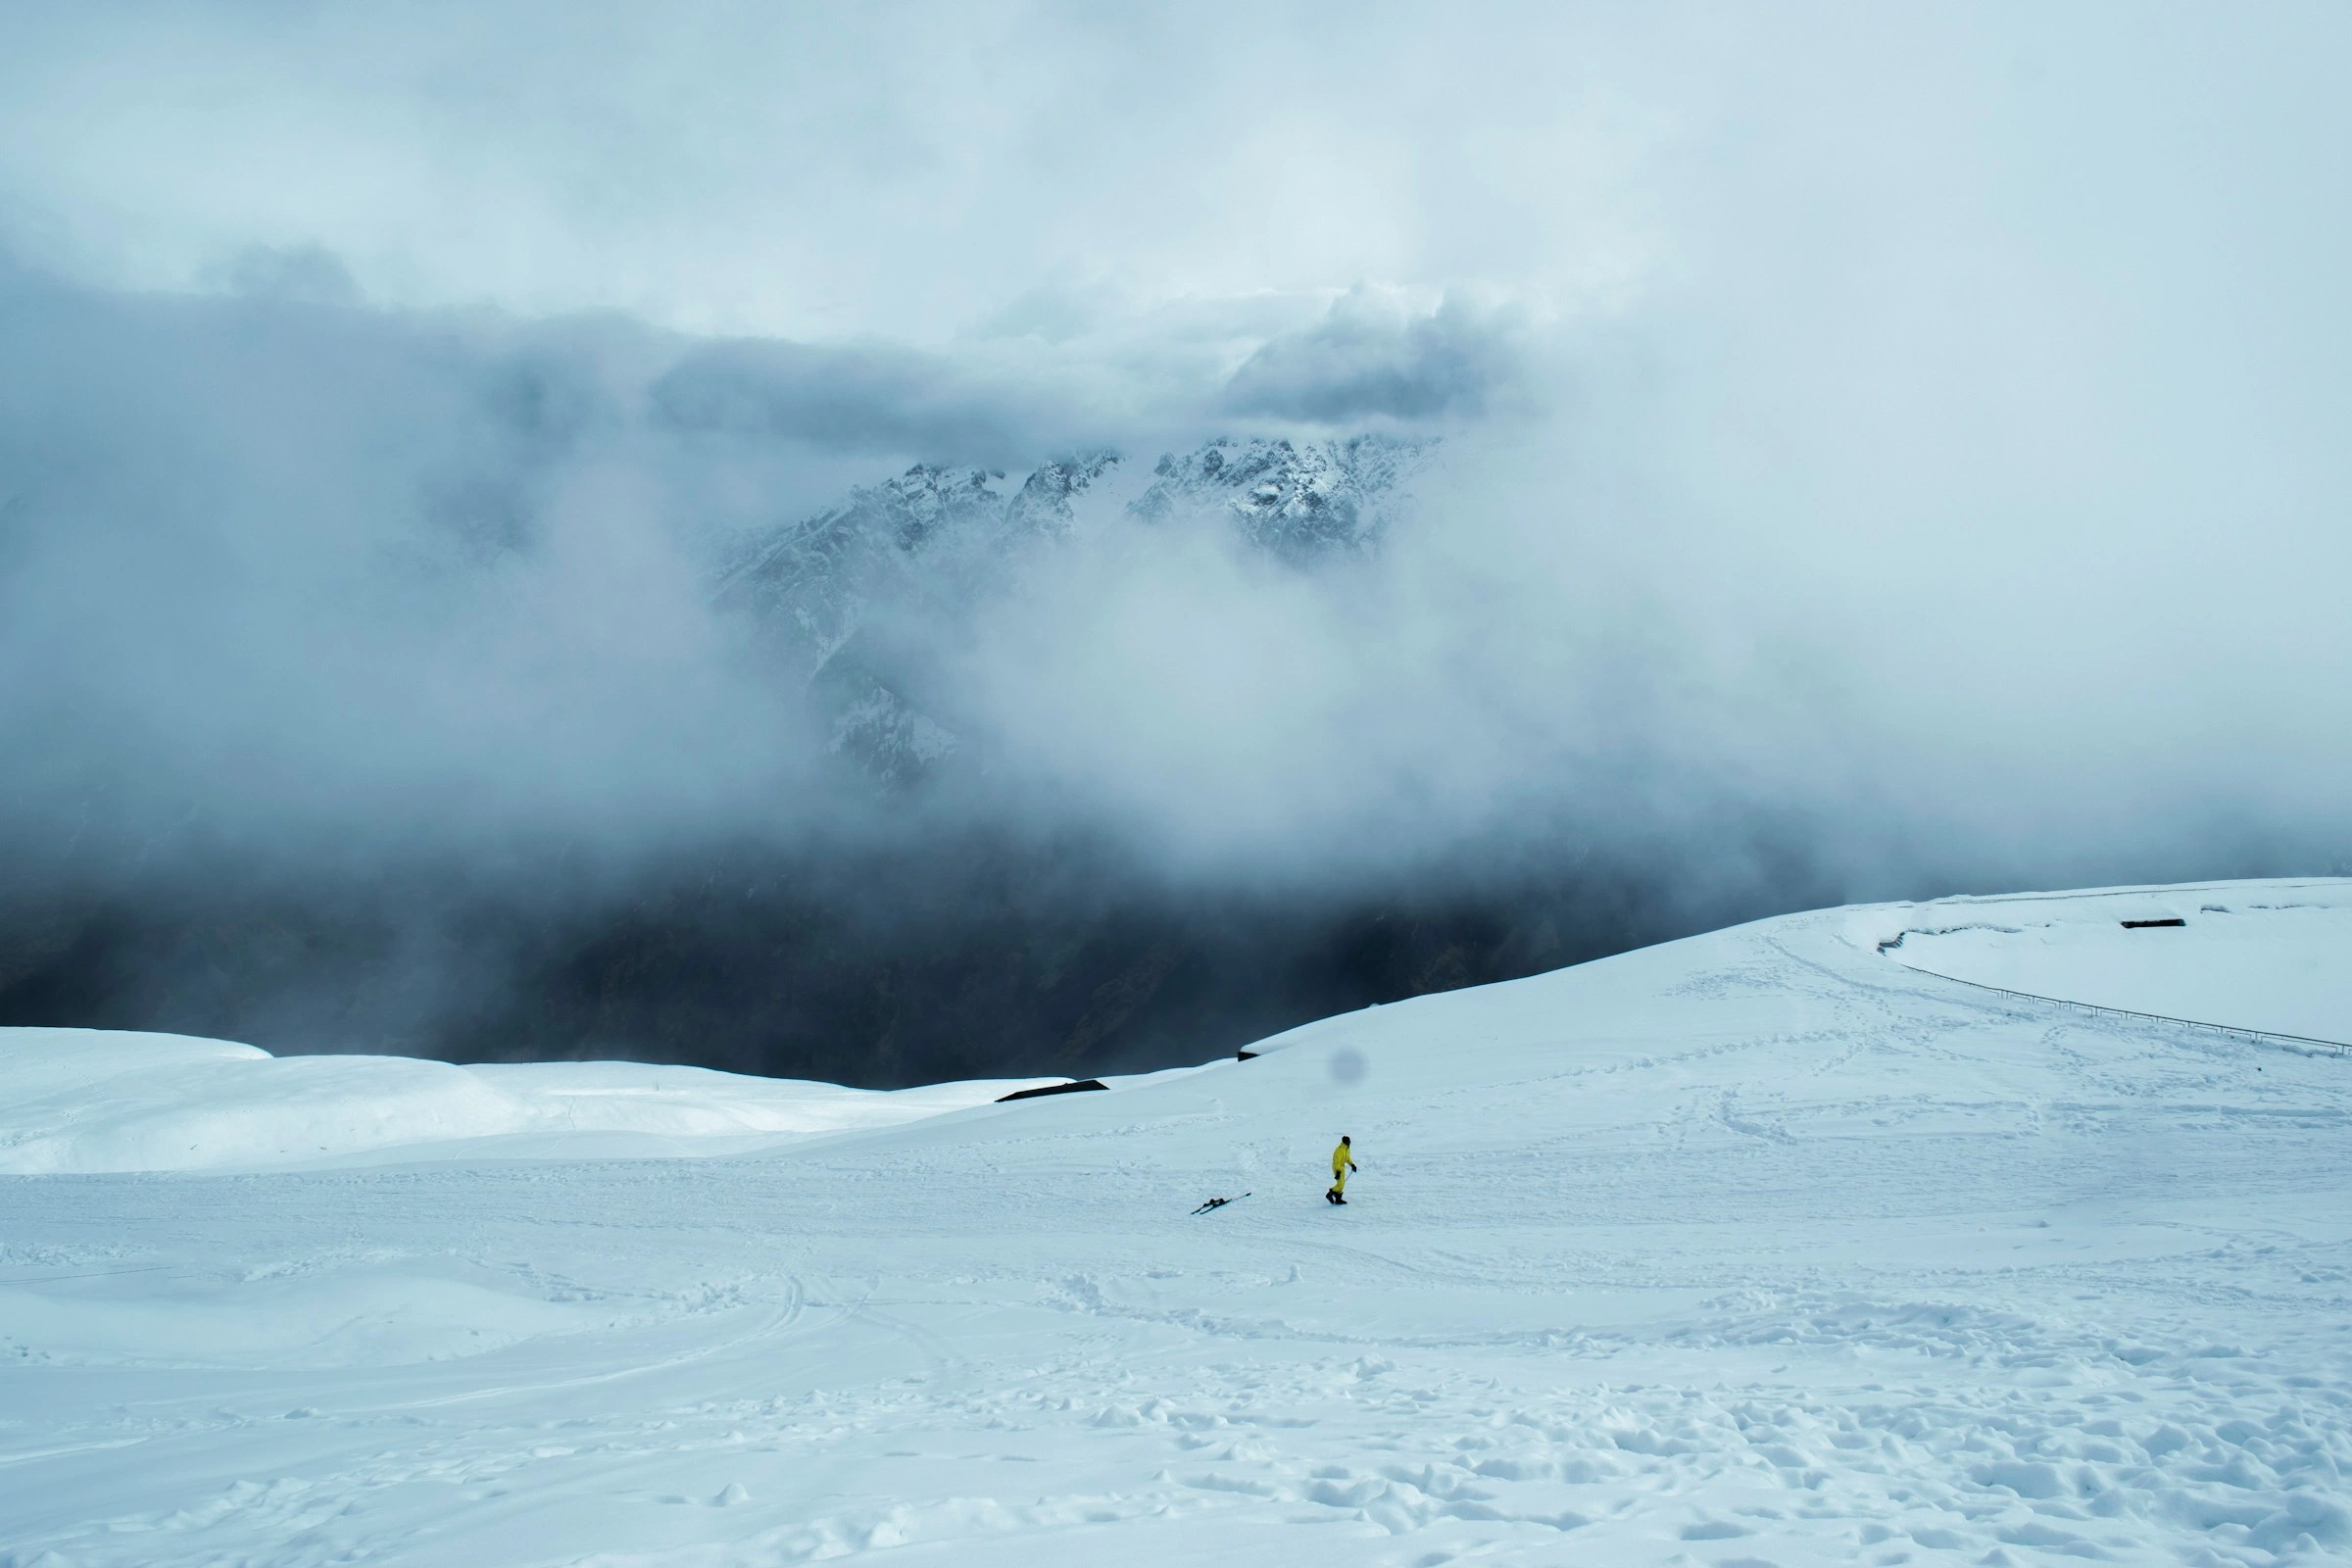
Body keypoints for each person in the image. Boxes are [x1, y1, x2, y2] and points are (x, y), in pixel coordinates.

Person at [1327, 1135, 1356, 1204]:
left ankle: (1338, 1199)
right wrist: (1337, 1172)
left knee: (1342, 1184)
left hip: (1342, 1168)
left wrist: (1352, 1164)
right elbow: (1336, 1162)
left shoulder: (1347, 1149)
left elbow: (1347, 1158)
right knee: (1340, 1184)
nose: (1350, 1142)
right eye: (1349, 1141)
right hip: (1337, 1168)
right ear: (1345, 1142)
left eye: (1350, 1141)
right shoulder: (1339, 1150)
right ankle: (1329, 1194)